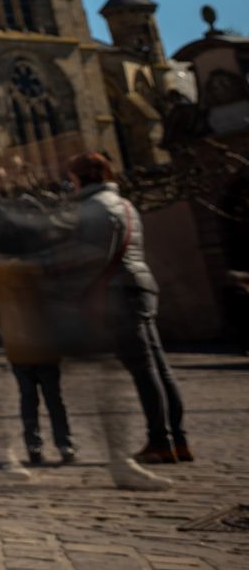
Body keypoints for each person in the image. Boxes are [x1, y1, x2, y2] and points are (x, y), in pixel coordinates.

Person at [67, 151, 191, 471]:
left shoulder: (95, 207)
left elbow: (93, 259)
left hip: (119, 291)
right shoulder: (124, 204)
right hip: (141, 285)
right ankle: (177, 439)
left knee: (144, 369)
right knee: (158, 367)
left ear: (79, 177)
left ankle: (160, 441)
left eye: (72, 177)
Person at [0, 259, 73, 465]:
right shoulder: (43, 270)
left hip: (18, 346)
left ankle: (33, 445)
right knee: (54, 398)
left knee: (28, 398)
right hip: (46, 344)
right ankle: (65, 443)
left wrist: (7, 327)